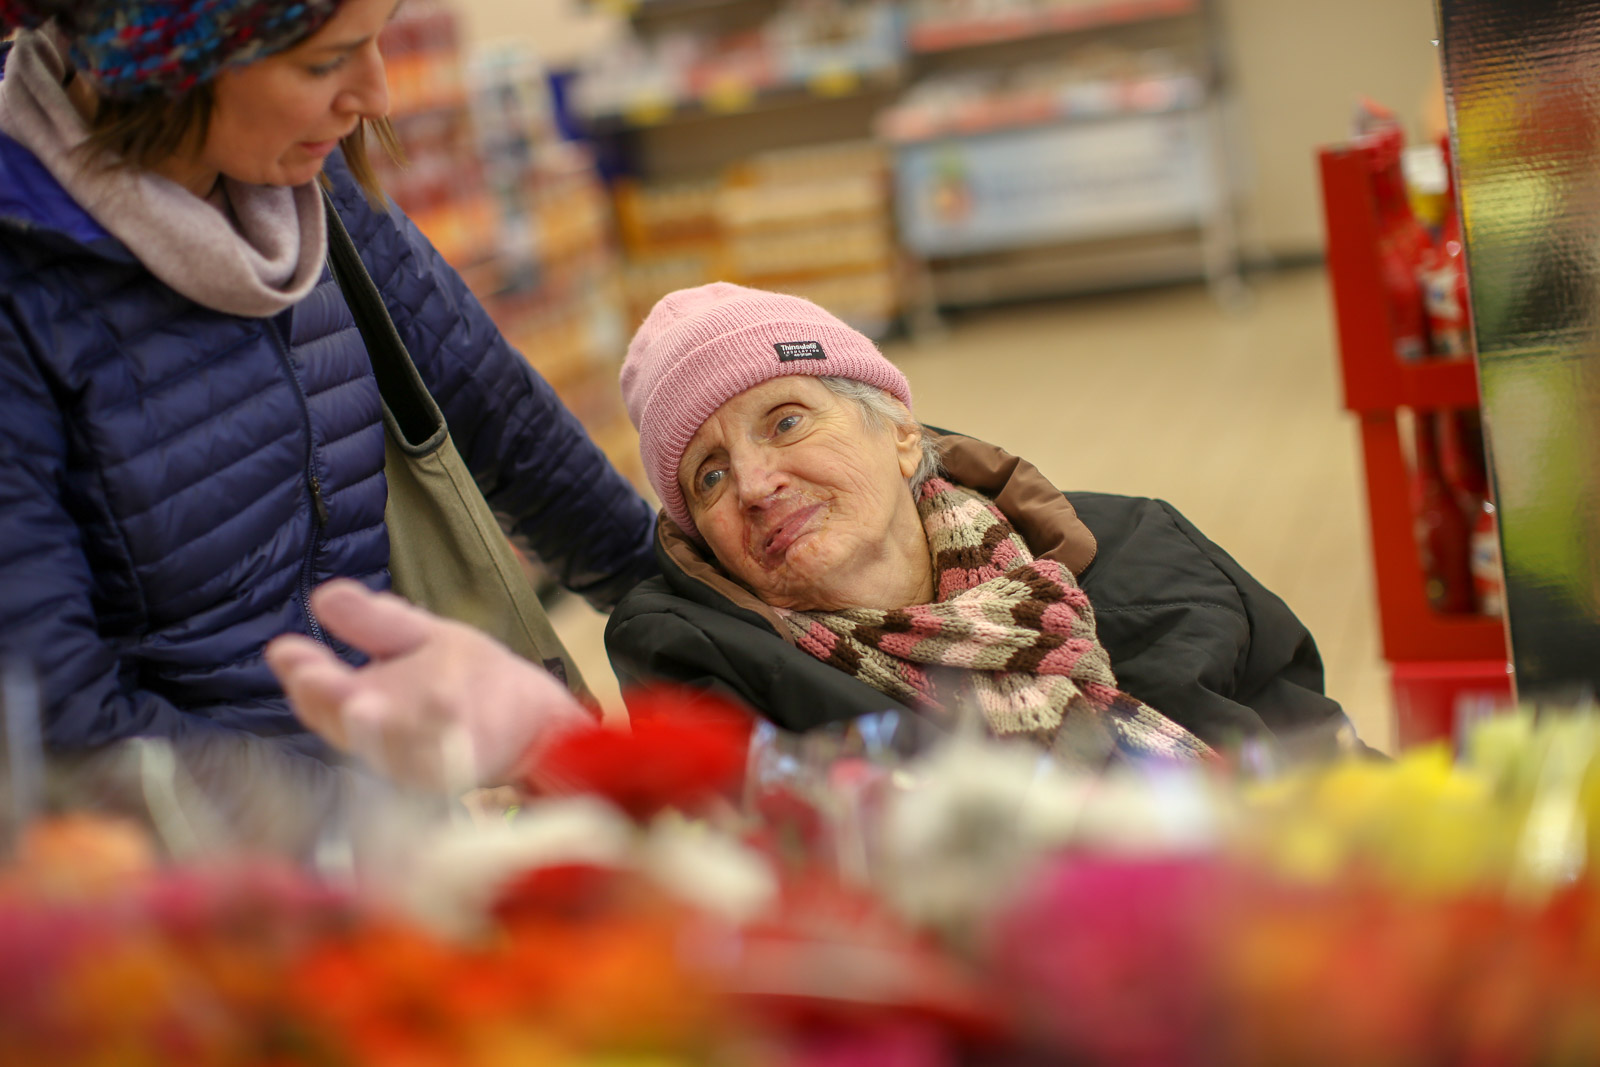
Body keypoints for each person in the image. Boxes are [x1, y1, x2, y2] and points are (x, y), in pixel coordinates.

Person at [0, 0, 657, 792]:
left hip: (390, 812)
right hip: (202, 875)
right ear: (169, 69)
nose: (375, 97)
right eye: (323, 63)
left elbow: (498, 412)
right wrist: (356, 819)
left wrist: (694, 604)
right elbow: (60, 729)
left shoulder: (300, 188)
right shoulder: (24, 291)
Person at [602, 283, 1361, 758]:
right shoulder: (721, 697)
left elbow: (1329, 766)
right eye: (710, 476)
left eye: (787, 421)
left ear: (902, 434)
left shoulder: (1134, 549)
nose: (756, 484)